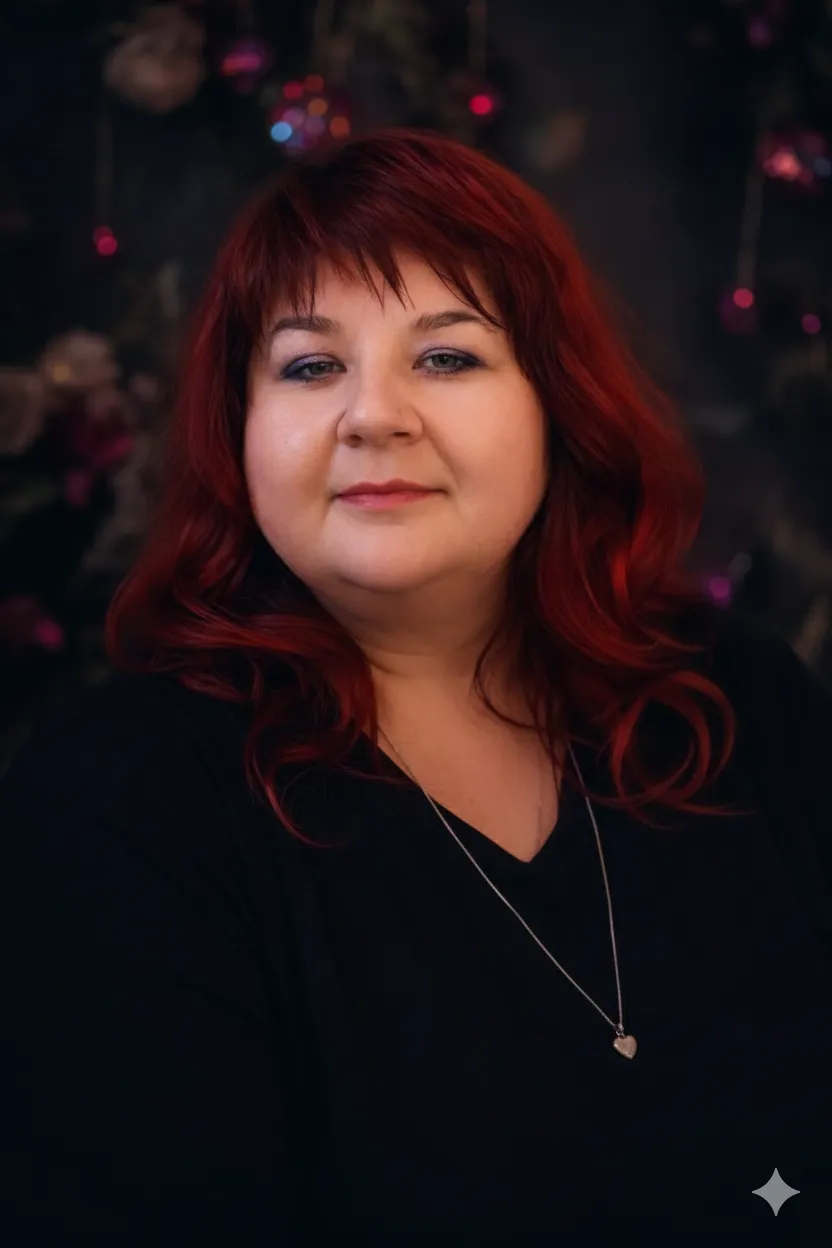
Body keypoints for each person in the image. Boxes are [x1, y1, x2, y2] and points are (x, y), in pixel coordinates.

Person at [2, 128, 831, 1245]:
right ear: (237, 433)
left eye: (446, 357)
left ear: (556, 405)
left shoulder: (733, 701)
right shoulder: (118, 803)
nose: (374, 415)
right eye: (309, 367)